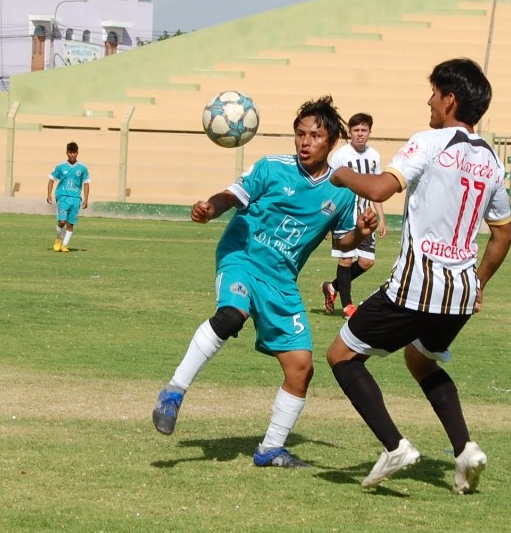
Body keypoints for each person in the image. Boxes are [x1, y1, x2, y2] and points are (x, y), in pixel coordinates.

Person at [152, 96, 378, 468]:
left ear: (332, 142)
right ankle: (174, 392)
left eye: (315, 136)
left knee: (301, 367)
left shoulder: (340, 192)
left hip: (282, 280)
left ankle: (270, 449)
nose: (305, 142)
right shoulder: (272, 167)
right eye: (300, 134)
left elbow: (341, 244)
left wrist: (360, 233)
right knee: (232, 315)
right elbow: (231, 195)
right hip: (242, 256)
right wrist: (210, 208)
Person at [325, 58, 511, 493]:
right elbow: (503, 236)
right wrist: (479, 284)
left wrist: (340, 173)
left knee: (341, 355)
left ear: (450, 100)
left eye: (434, 93)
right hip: (460, 293)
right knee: (420, 359)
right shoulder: (492, 161)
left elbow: (379, 189)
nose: (429, 100)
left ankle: (395, 446)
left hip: (417, 285)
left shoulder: (429, 142)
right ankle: (465, 449)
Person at [321, 113, 387, 319]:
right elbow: (329, 188)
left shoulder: (374, 156)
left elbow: (376, 188)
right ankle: (347, 306)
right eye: (356, 130)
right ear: (350, 132)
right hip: (344, 215)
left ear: (369, 132)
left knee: (367, 261)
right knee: (346, 259)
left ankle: (332, 286)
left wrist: (381, 217)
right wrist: (326, 220)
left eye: (363, 130)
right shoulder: (341, 155)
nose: (360, 134)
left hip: (365, 216)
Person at [46, 141, 90, 253]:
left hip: (76, 198)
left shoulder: (82, 168)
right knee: (62, 221)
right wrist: (49, 194)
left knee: (70, 224)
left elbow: (86, 183)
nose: (72, 155)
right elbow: (51, 179)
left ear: (77, 153)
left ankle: (64, 245)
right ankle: (58, 239)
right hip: (62, 196)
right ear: (67, 153)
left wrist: (86, 199)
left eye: (74, 152)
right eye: (70, 152)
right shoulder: (61, 166)